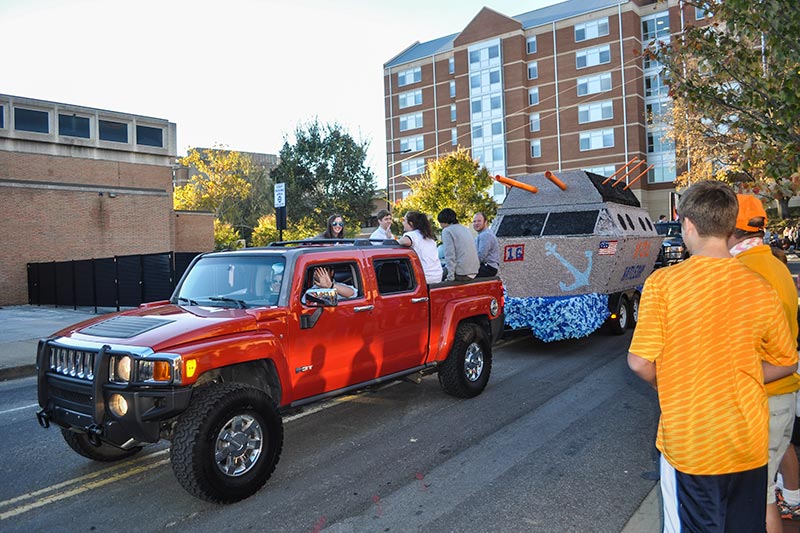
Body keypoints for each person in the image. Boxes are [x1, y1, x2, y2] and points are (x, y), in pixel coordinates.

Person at [627, 180, 798, 532]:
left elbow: (640, 361)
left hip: (691, 443)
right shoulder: (759, 287)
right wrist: (739, 374)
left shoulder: (664, 285)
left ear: (687, 224)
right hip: (747, 441)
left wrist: (675, 382)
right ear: (729, 224)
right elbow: (786, 361)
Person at [728, 194, 800, 532]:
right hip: (783, 394)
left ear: (730, 227)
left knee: (759, 498)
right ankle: (795, 499)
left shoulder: (741, 271)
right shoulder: (775, 264)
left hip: (761, 396)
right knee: (769, 481)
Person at [397, 211, 443, 284]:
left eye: (404, 220)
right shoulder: (429, 237)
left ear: (410, 223)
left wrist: (396, 242)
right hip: (437, 276)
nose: (403, 223)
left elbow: (406, 241)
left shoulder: (412, 234)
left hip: (424, 277)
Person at [437, 208, 479, 282]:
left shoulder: (447, 231)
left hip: (462, 273)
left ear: (443, 221)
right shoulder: (465, 229)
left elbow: (450, 255)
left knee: (435, 276)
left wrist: (450, 278)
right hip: (474, 271)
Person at [473, 212, 500, 278]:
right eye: (474, 221)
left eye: (479, 221)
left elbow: (481, 255)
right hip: (485, 266)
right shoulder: (482, 235)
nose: (476, 223)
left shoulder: (486, 235)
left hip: (488, 267)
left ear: (485, 222)